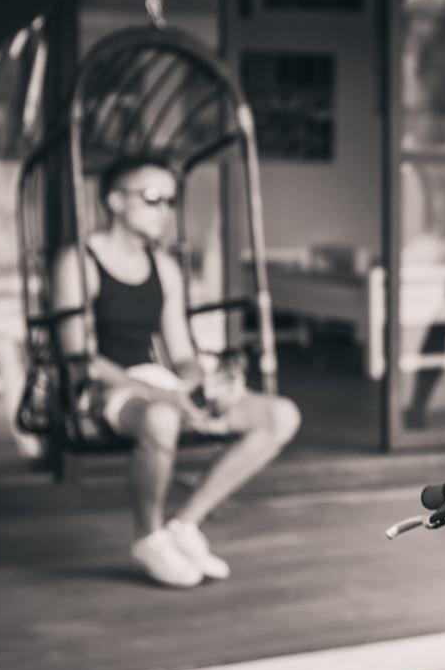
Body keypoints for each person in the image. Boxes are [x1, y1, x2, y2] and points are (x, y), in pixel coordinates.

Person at [51, 156, 302, 589]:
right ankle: (148, 537)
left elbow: (180, 352)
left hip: (156, 383)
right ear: (115, 201)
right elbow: (80, 357)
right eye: (153, 199)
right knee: (162, 417)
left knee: (280, 416)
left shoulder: (163, 268)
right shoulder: (80, 261)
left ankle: (184, 525)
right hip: (100, 388)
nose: (165, 210)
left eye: (171, 201)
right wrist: (165, 396)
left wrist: (203, 381)